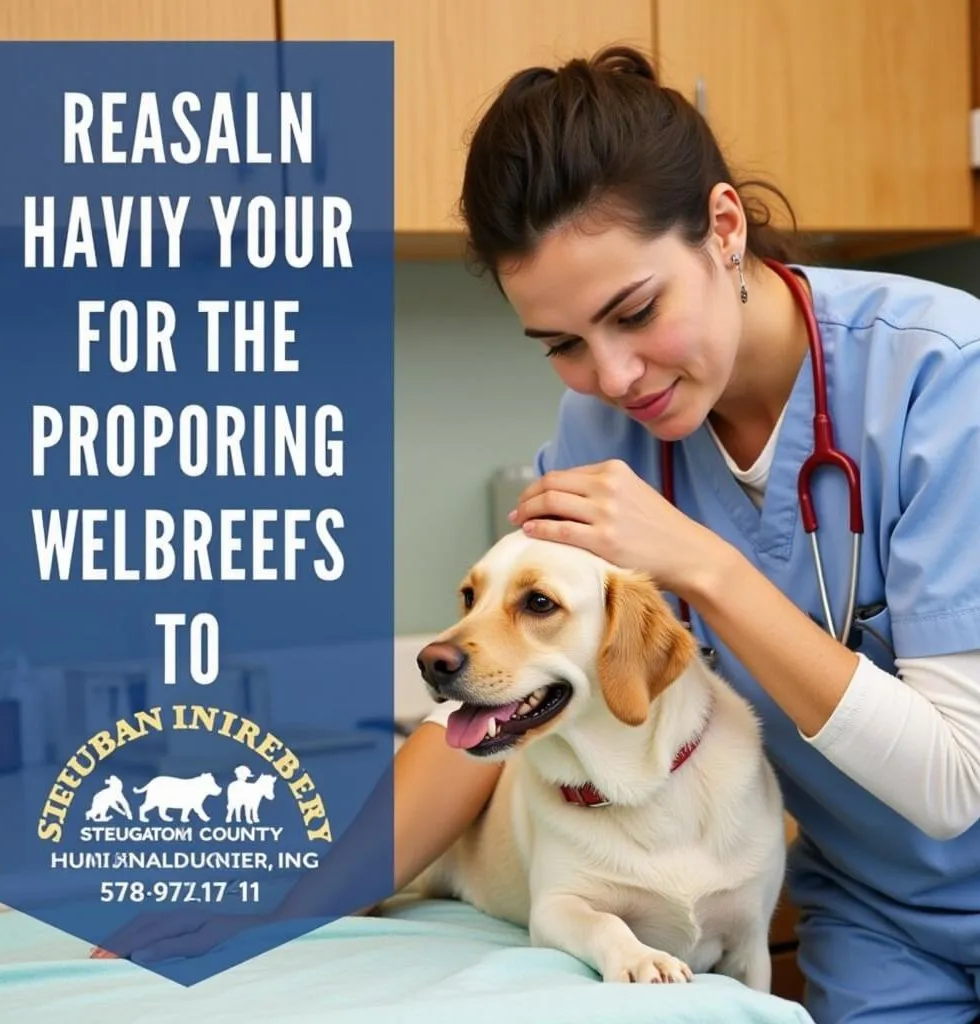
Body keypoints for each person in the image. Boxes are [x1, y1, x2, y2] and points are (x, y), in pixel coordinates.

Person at [96, 43, 980, 1024]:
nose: (612, 377)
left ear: (722, 229)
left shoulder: (944, 383)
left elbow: (953, 785)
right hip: (875, 914)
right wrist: (278, 909)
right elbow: (492, 703)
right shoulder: (607, 434)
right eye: (562, 343)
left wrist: (707, 564)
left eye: (634, 311)